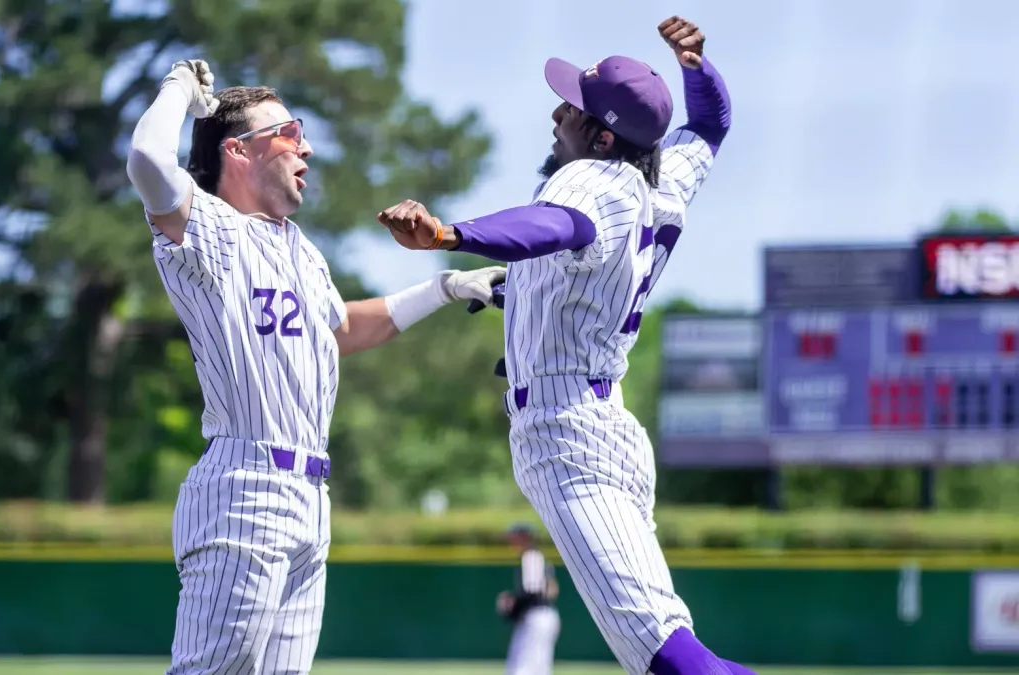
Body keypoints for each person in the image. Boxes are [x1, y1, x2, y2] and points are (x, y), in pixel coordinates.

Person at [376, 16, 754, 675]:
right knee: (660, 641)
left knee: (663, 649)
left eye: (574, 109)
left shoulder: (593, 177)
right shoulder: (659, 177)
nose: (558, 113)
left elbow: (554, 224)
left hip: (567, 434)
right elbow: (712, 126)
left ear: (603, 135)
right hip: (603, 421)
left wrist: (448, 232)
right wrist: (696, 68)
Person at [125, 59, 506, 675]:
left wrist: (446, 288)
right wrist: (178, 89)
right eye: (287, 130)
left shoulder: (299, 248)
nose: (305, 144)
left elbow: (341, 331)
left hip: (309, 498)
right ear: (238, 150)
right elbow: (146, 159)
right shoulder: (211, 229)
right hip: (245, 483)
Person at [496, 523, 561, 675]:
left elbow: (533, 591)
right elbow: (551, 589)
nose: (511, 540)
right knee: (538, 667)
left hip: (537, 617)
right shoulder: (537, 556)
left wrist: (513, 603)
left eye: (514, 537)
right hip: (542, 616)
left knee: (523, 667)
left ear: (524, 537)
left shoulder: (531, 556)